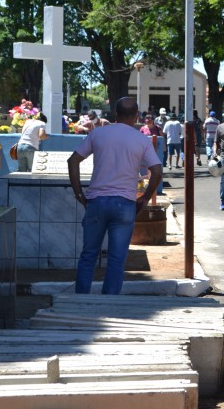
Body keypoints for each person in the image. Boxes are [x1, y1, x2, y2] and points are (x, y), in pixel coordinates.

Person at [67, 97, 162, 295]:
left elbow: (73, 161)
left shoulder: (98, 134)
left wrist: (78, 194)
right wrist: (144, 197)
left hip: (96, 202)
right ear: (137, 116)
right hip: (125, 205)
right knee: (117, 260)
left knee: (88, 256)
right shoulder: (141, 140)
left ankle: (80, 299)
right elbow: (157, 171)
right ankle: (109, 302)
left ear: (115, 114)